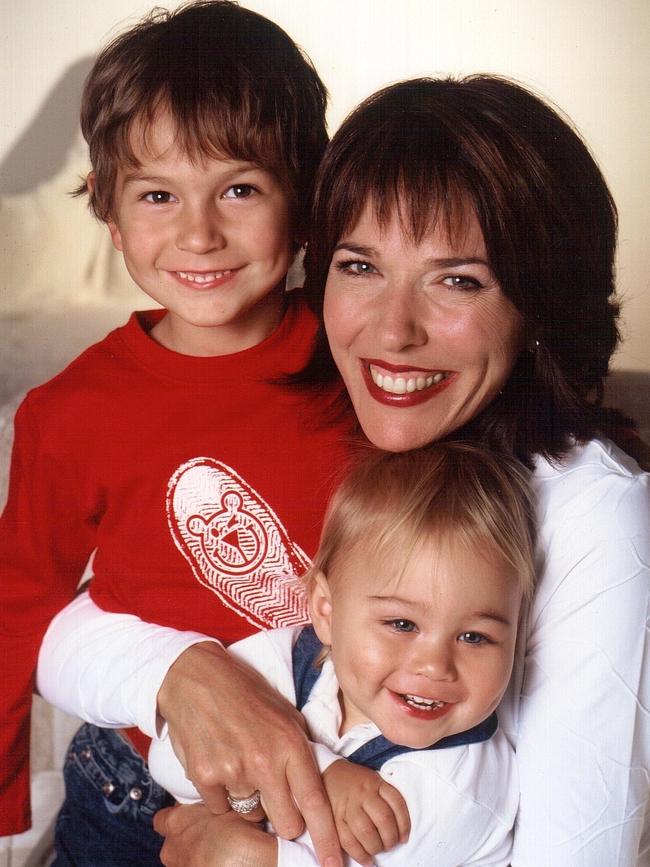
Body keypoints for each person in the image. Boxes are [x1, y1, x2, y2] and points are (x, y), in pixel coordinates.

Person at [32, 74, 650, 866]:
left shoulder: (594, 512)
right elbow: (75, 614)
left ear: (541, 302)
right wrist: (181, 671)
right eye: (360, 266)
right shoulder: (335, 411)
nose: (393, 331)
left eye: (457, 279)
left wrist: (259, 861)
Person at [0, 3, 352, 865]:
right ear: (111, 219)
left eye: (239, 188)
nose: (199, 232)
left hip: (337, 776)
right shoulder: (68, 410)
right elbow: (17, 601)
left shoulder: (360, 362)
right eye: (158, 195)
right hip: (133, 793)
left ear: (302, 205)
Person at [39, 442, 536, 866]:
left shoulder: (461, 784)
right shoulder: (291, 658)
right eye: (401, 624)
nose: (434, 666)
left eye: (475, 637)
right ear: (324, 609)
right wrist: (318, 771)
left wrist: (245, 840)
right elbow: (173, 756)